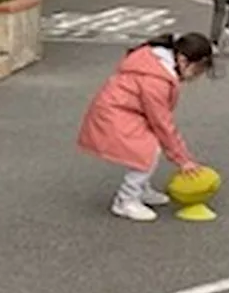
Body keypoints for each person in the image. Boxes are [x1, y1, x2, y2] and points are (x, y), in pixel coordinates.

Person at [77, 33, 215, 222]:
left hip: (122, 111)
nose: (196, 77)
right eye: (197, 70)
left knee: (149, 147)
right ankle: (126, 199)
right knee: (147, 150)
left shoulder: (157, 65)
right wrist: (183, 160)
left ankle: (141, 189)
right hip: (115, 114)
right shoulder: (156, 81)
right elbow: (162, 123)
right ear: (183, 60)